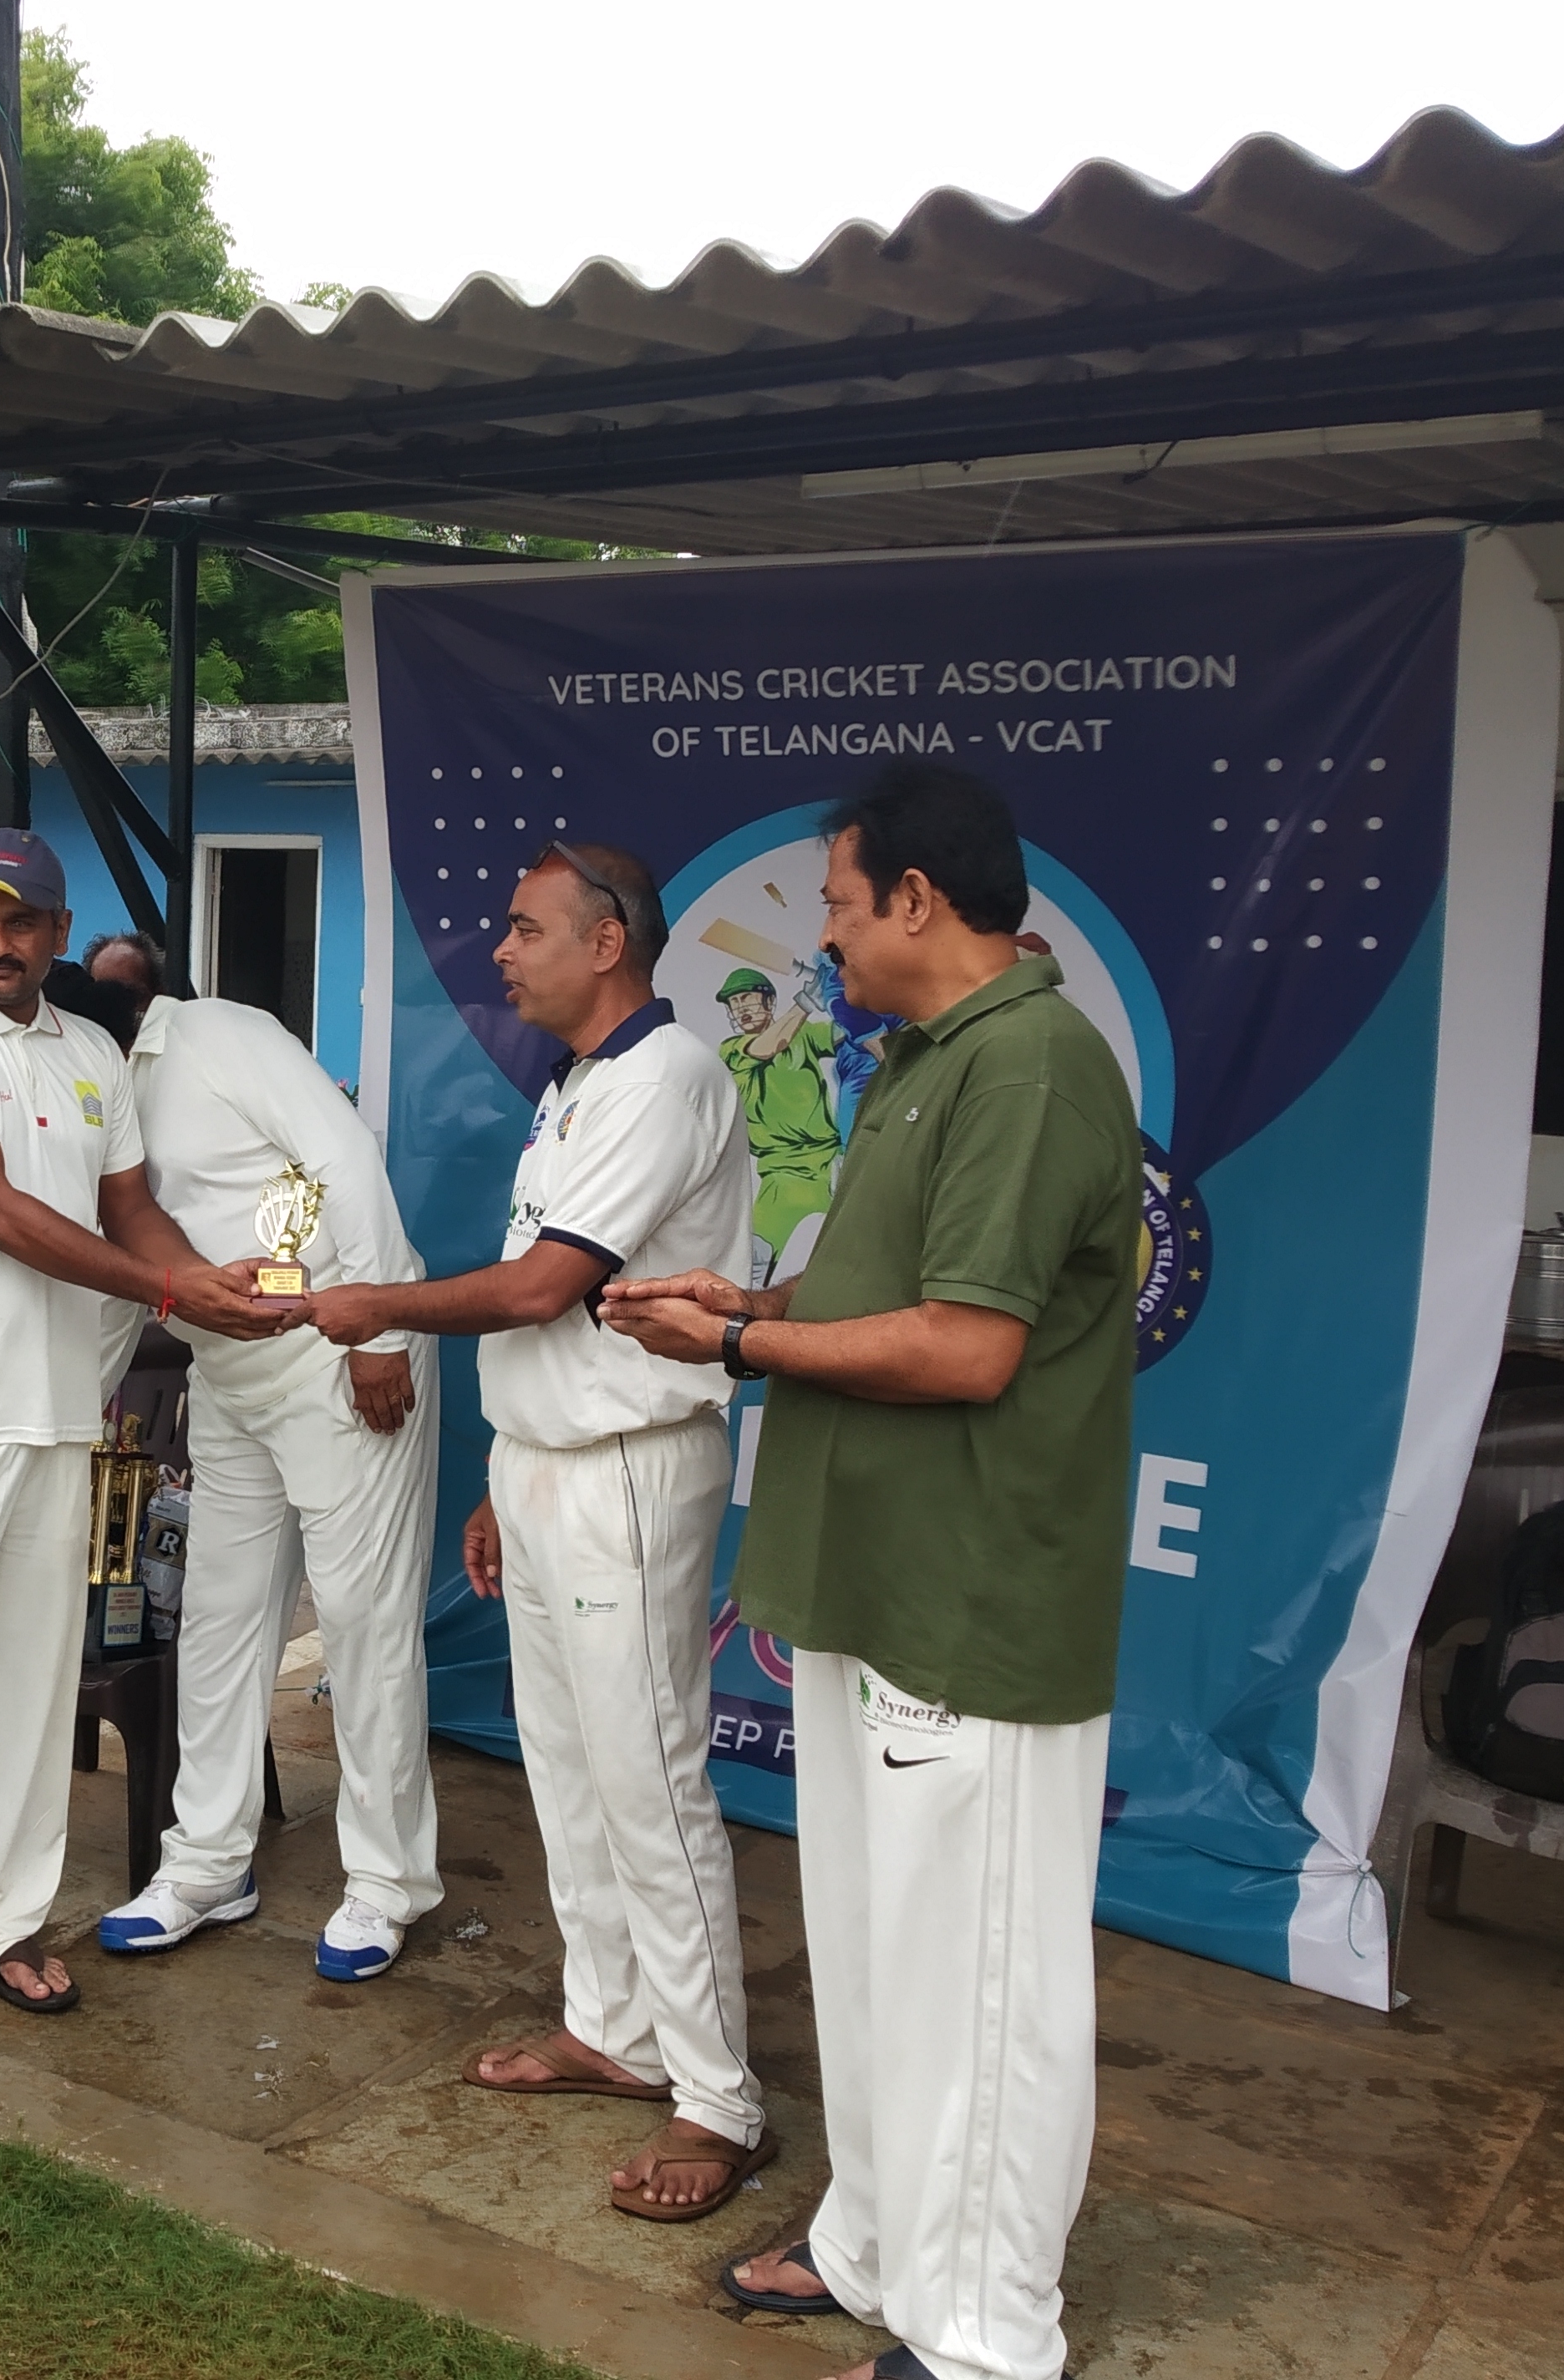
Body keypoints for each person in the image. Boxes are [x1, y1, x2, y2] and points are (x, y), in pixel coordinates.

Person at [603, 762, 1139, 2380]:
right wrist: (747, 1308)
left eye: (839, 904)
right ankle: (878, 2244)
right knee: (870, 1950)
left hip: (969, 1606)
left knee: (975, 1983)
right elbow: (893, 1291)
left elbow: (969, 1348)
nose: (825, 937)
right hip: (867, 1586)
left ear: (915, 897)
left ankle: (981, 2334)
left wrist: (738, 1344)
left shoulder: (1030, 1064)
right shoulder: (920, 1058)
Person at [301, 842, 766, 2221]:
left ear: (608, 943)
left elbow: (541, 1289)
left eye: (525, 928)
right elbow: (548, 1322)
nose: (500, 951)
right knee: (568, 1772)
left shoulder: (666, 1077)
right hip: (557, 1463)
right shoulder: (578, 1084)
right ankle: (613, 2030)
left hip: (629, 1472)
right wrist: (507, 1474)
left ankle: (719, 2097)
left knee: (649, 1781)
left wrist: (378, 1306)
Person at [0, 830, 289, 2061]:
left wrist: (206, 1279)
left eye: (20, 921)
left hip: (58, 1412)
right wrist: (174, 1291)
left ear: (55, 931)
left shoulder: (90, 1051)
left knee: (31, 1689)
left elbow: (129, 1210)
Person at [95, 990, 442, 1982]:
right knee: (219, 1616)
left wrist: (379, 1329)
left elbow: (345, 1159)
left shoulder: (218, 1035)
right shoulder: (92, 1083)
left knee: (363, 1622)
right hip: (227, 1372)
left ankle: (385, 1884)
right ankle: (208, 1864)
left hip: (335, 1358)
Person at [715, 961, 842, 1279]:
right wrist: (807, 1002)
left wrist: (850, 993)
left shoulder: (806, 1037)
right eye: (734, 1002)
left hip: (831, 1169)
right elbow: (771, 1045)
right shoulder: (732, 1050)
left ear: (770, 1001)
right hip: (781, 1178)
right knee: (754, 1268)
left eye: (746, 998)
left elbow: (850, 1033)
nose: (740, 1008)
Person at [80, 930, 172, 1034]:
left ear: (159, 994)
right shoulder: (78, 1041)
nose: (117, 1006)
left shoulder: (179, 1040)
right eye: (104, 997)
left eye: (131, 995)